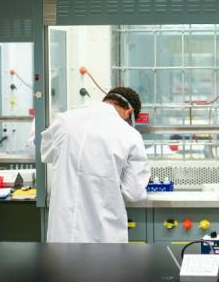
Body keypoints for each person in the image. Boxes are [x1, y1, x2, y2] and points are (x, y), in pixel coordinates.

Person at [41, 87, 151, 243]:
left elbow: (47, 154)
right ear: (129, 112)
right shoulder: (129, 134)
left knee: (61, 267)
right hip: (103, 235)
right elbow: (134, 192)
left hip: (63, 233)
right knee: (102, 267)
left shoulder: (64, 121)